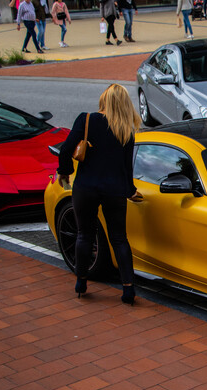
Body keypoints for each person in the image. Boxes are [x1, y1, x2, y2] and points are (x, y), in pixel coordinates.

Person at [56, 84, 142, 305]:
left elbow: (66, 149)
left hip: (86, 187)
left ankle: (81, 281)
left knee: (84, 234)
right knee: (119, 239)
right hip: (114, 190)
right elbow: (126, 167)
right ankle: (128, 289)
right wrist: (130, 191)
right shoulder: (126, 130)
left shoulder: (86, 120)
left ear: (104, 100)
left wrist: (65, 171)